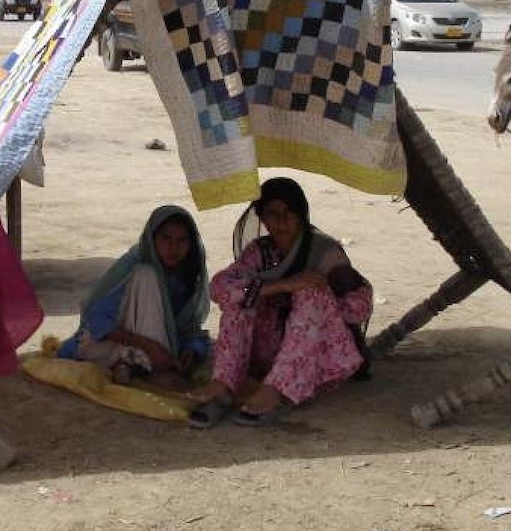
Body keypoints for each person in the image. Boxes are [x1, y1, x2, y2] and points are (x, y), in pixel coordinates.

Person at [188, 177, 373, 428]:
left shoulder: (324, 252)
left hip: (319, 353)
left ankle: (278, 390)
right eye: (272, 214)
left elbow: (360, 307)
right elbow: (219, 288)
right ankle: (224, 383)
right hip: (270, 350)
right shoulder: (261, 252)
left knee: (311, 294)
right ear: (262, 218)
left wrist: (316, 301)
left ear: (301, 215)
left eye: (289, 213)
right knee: (243, 297)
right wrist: (283, 286)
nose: (281, 221)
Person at [57, 205, 211, 391]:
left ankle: (133, 364)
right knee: (147, 275)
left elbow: (188, 327)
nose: (173, 248)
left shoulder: (186, 274)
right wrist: (149, 347)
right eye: (165, 239)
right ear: (152, 238)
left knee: (210, 353)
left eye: (182, 241)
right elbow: (96, 320)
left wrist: (191, 351)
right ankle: (148, 366)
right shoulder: (134, 267)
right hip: (105, 342)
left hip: (151, 347)